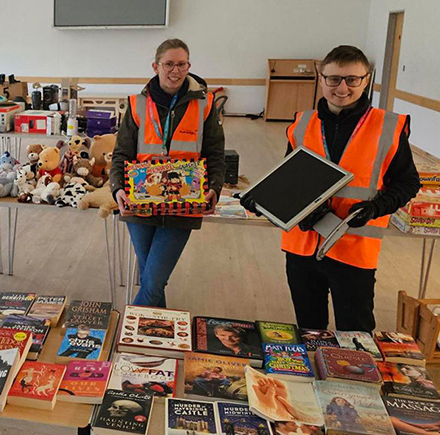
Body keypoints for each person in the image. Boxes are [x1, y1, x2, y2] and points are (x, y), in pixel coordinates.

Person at [242, 45, 420, 332]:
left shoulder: (388, 126)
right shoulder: (302, 123)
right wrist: (262, 199)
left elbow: (408, 182)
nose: (342, 88)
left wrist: (376, 208)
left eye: (352, 79)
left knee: (356, 331)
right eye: (334, 79)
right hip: (302, 245)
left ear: (366, 80)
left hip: (354, 245)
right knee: (309, 328)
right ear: (321, 78)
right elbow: (290, 180)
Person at [110, 39, 226, 307]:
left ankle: (125, 335)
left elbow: (216, 154)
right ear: (156, 66)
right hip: (139, 204)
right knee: (153, 279)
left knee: (153, 280)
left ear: (189, 66)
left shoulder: (205, 104)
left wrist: (215, 188)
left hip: (183, 205)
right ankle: (155, 343)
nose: (175, 70)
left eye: (181, 64)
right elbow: (121, 154)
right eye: (169, 64)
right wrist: (117, 189)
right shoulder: (137, 104)